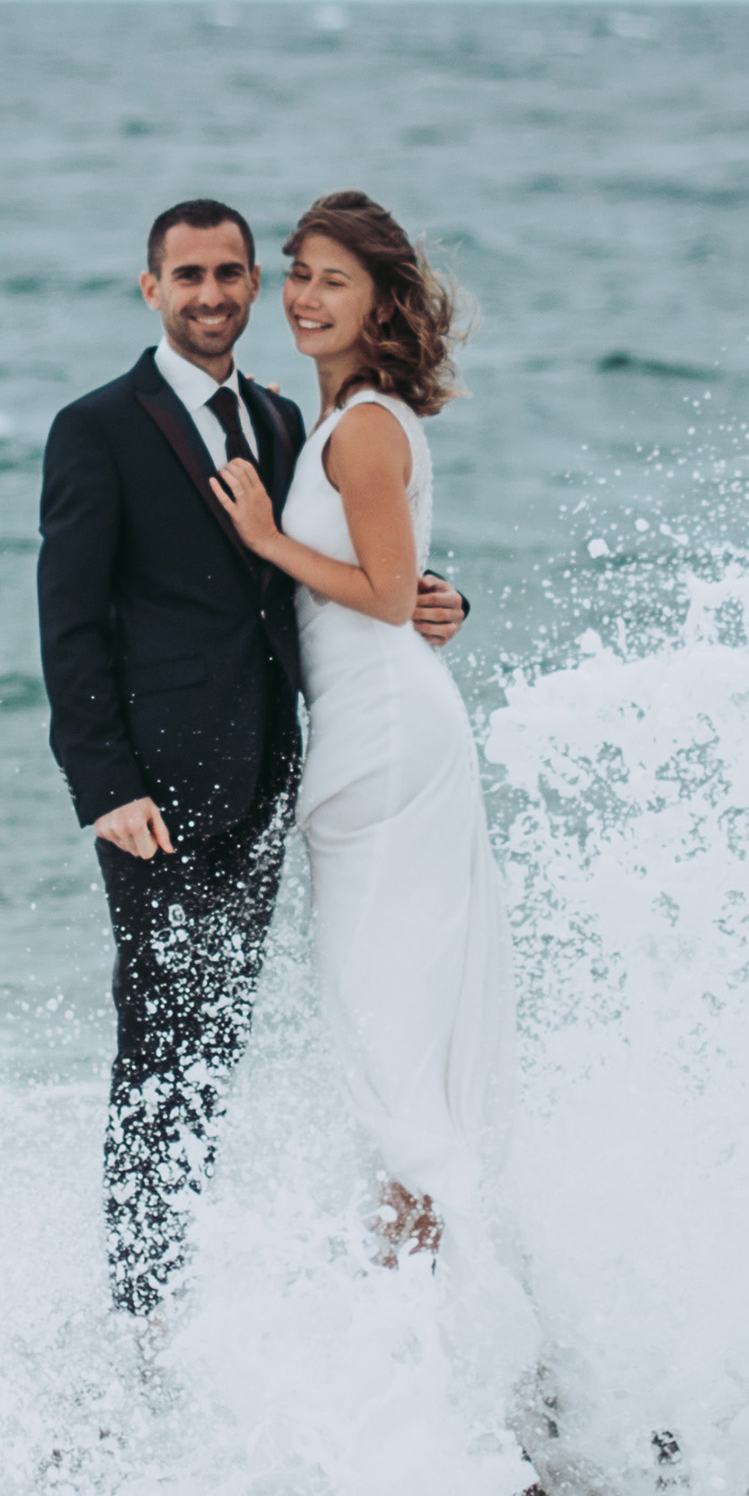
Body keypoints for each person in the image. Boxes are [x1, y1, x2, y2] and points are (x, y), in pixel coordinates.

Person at [38, 200, 468, 1323]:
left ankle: (196, 1291)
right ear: (151, 289)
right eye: (190, 275)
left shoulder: (284, 420)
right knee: (160, 1048)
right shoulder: (99, 428)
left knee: (215, 1046)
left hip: (277, 776)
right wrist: (105, 786)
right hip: (158, 797)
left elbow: (351, 561)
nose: (217, 293)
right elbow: (69, 624)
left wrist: (440, 594)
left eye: (234, 271)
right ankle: (140, 1313)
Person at [208, 191, 515, 1258]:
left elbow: (388, 594)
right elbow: (407, 584)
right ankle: (415, 1270)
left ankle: (421, 1270)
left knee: (384, 1018)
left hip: (388, 737)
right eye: (299, 273)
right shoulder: (339, 420)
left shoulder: (371, 425)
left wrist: (262, 535)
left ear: (382, 301)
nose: (304, 296)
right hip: (372, 727)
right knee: (383, 1016)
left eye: (334, 279)